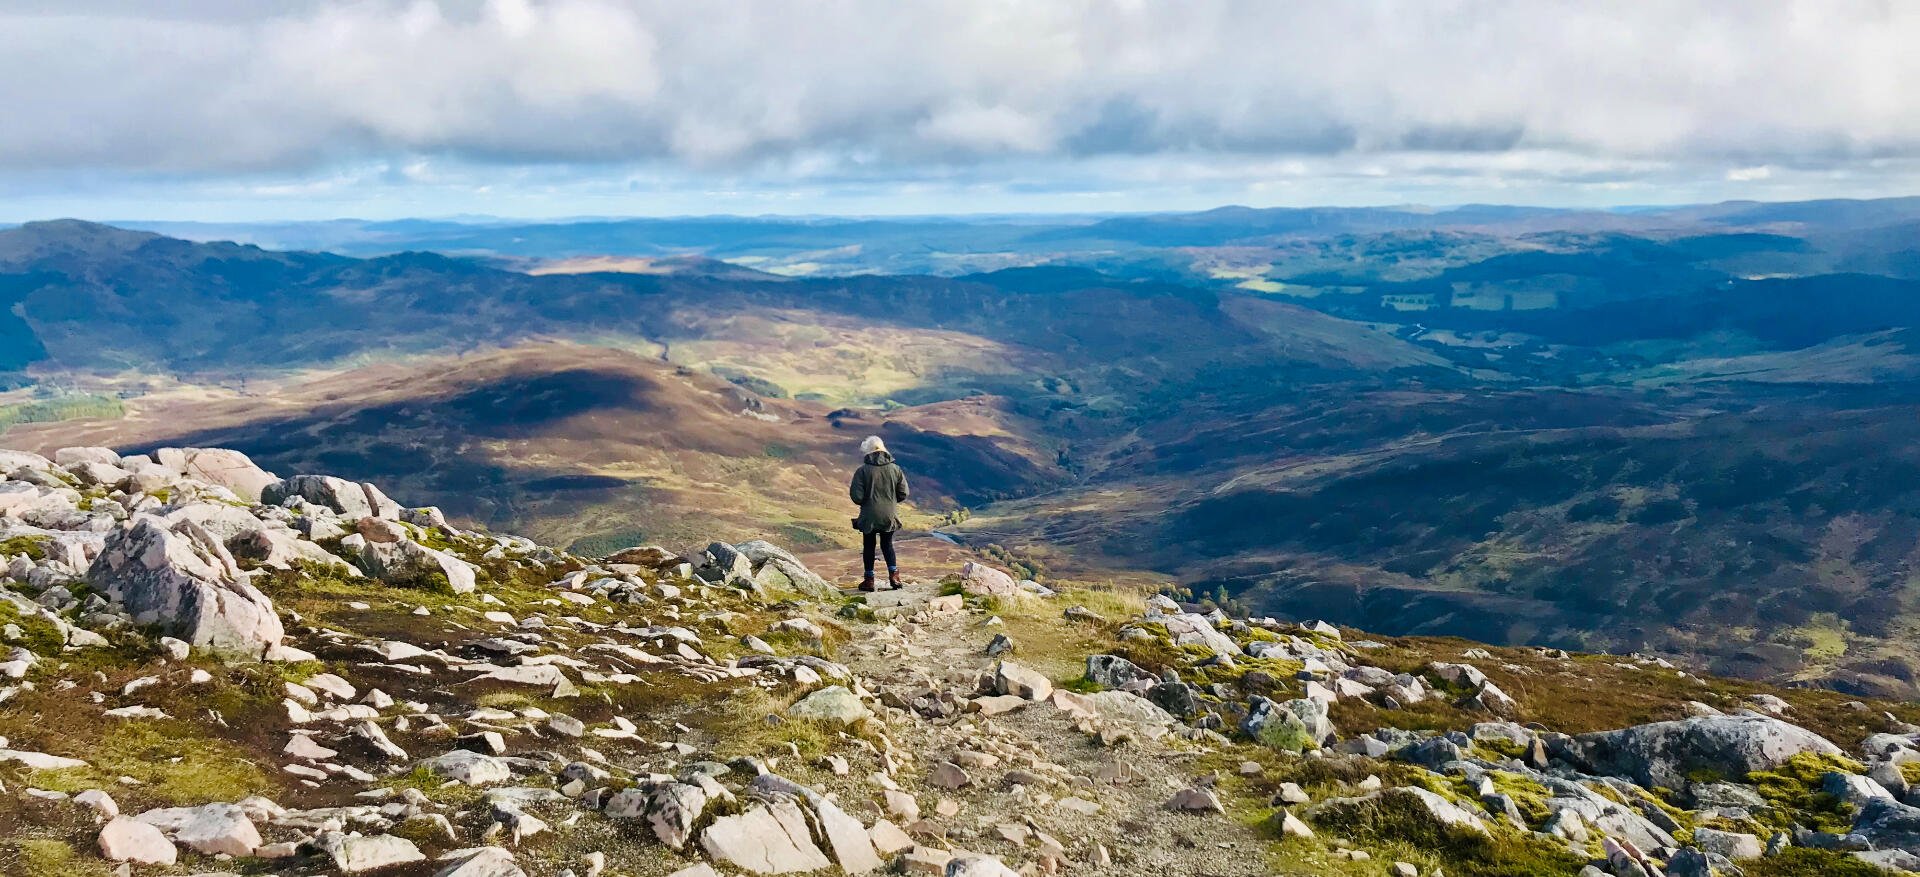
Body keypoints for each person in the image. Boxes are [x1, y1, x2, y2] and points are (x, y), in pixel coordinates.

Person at [848, 435, 909, 591]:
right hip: (889, 515)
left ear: (868, 451)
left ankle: (869, 581)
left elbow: (857, 496)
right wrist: (890, 503)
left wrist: (868, 502)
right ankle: (894, 576)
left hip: (869, 515)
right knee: (887, 544)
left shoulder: (862, 471)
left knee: (869, 546)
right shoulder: (896, 469)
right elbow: (903, 493)